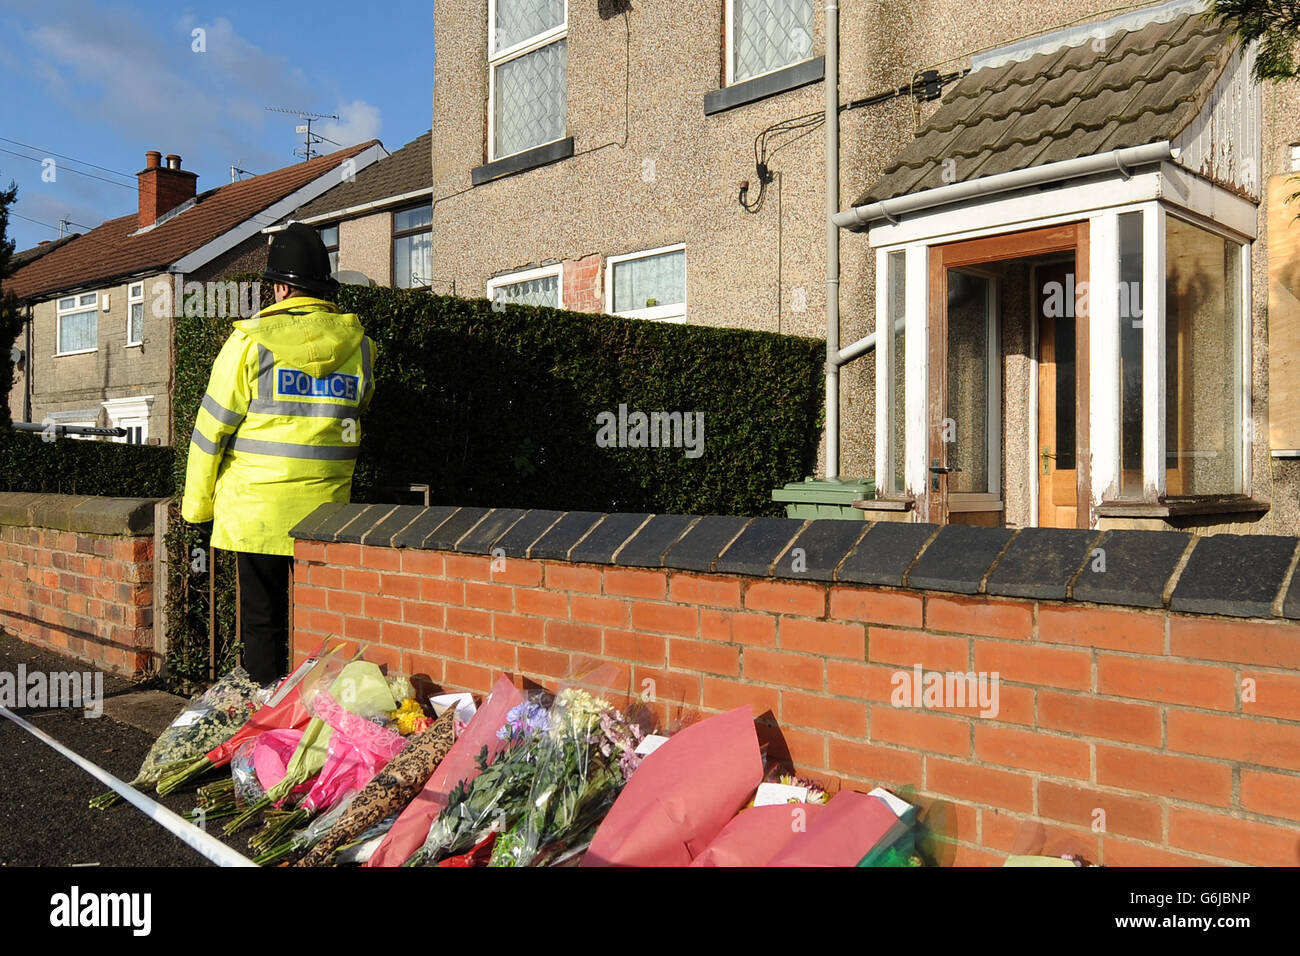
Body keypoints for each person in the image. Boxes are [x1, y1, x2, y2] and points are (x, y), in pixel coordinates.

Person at [181, 223, 375, 684]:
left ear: (282, 287)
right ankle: (315, 724)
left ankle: (264, 732)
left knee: (263, 623)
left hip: (256, 513)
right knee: (320, 626)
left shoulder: (249, 342)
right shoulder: (362, 348)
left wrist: (197, 509)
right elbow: (358, 412)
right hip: (328, 515)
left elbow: (211, 432)